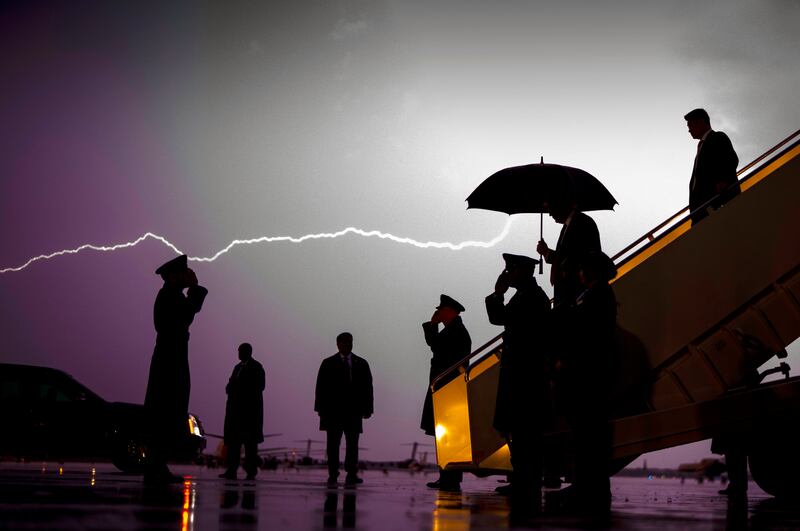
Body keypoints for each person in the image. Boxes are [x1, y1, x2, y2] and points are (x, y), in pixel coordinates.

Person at [551, 251, 617, 513]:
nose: (578, 272)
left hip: (588, 376)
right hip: (589, 375)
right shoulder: (594, 294)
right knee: (587, 435)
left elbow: (588, 335)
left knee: (589, 435)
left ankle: (590, 489)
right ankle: (588, 486)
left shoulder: (598, 295)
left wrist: (567, 359)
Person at [485, 253, 551, 500]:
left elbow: (499, 318)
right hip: (522, 372)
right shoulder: (527, 295)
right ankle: (523, 479)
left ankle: (527, 481)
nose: (507, 274)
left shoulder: (531, 298)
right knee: (520, 430)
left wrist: (497, 294)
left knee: (525, 431)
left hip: (525, 374)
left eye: (510, 270)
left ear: (523, 272)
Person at [143, 254, 208, 484]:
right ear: (172, 276)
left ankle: (158, 464)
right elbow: (188, 314)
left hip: (172, 354)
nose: (186, 276)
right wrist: (196, 288)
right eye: (182, 273)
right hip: (169, 356)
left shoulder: (171, 295)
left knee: (171, 407)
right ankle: (156, 464)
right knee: (166, 407)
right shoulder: (170, 296)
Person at [420, 294, 472, 492]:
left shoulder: (457, 331)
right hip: (444, 388)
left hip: (449, 389)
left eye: (441, 310)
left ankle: (450, 477)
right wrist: (433, 324)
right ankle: (447, 475)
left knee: (449, 436)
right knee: (444, 436)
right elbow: (435, 345)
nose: (438, 313)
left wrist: (433, 324)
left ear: (449, 311)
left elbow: (437, 347)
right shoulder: (452, 330)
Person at [314, 332, 373, 486]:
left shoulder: (361, 363)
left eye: (350, 342)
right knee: (333, 445)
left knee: (352, 444)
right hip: (333, 412)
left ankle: (351, 473)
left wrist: (368, 409)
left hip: (354, 412)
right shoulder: (328, 363)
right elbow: (320, 388)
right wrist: (320, 409)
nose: (348, 344)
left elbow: (368, 388)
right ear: (338, 344)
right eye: (345, 342)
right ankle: (333, 473)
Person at [536, 197, 601, 307]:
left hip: (575, 296)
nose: (549, 214)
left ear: (561, 205)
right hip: (572, 296)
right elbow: (568, 257)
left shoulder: (582, 223)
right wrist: (546, 253)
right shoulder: (572, 224)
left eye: (550, 207)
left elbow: (577, 258)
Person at [685, 108, 740, 225]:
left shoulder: (717, 137)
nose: (689, 130)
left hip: (716, 204)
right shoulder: (701, 147)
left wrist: (724, 180)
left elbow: (730, 158)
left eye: (690, 125)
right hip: (701, 211)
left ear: (701, 122)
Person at [219, 342, 266, 480]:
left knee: (250, 445)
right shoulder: (237, 367)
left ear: (248, 352)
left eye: (240, 351)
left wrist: (240, 390)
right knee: (234, 444)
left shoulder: (257, 367)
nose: (238, 353)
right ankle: (231, 470)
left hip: (249, 413)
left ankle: (251, 471)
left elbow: (259, 386)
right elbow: (230, 385)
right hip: (235, 412)